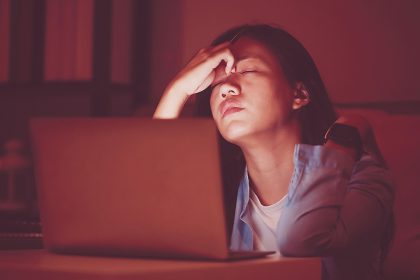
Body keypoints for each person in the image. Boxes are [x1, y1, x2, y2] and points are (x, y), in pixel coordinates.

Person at [153, 24, 394, 280]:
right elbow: (145, 204)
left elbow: (302, 240)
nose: (226, 88)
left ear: (299, 93)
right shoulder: (222, 194)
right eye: (218, 82)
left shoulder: (366, 181)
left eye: (248, 70)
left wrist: (345, 135)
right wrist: (177, 90)